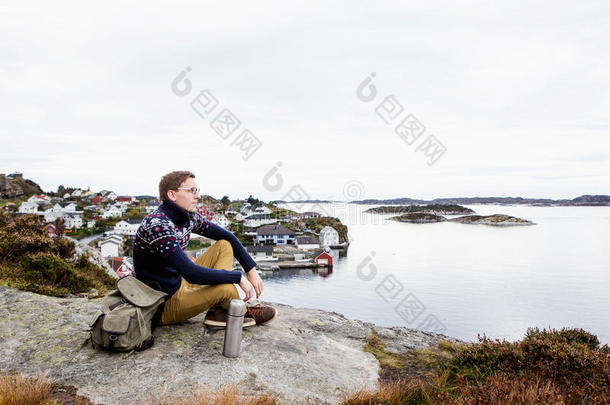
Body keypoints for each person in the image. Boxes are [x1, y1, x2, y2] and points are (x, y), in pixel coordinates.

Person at [133, 170, 276, 327]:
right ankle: (239, 311)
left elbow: (228, 237)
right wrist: (237, 277)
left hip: (179, 283)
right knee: (226, 289)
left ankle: (218, 311)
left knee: (224, 245)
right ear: (172, 195)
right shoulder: (158, 225)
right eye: (192, 191)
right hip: (161, 303)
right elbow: (191, 273)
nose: (197, 196)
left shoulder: (188, 217)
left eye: (197, 190)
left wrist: (251, 271)